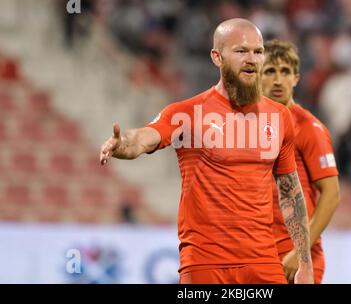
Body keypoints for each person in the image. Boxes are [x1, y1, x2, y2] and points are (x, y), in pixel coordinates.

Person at [99, 19, 313, 284]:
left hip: (263, 263)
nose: (251, 59)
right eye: (241, 51)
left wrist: (305, 261)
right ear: (217, 57)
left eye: (258, 52)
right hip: (205, 264)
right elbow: (144, 138)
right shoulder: (188, 113)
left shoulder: (279, 117)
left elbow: (290, 193)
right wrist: (123, 144)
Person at [261, 39, 340, 284]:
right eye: (270, 71)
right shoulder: (249, 126)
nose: (278, 80)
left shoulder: (308, 127)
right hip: (260, 253)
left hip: (295, 258)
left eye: (285, 72)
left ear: (296, 78)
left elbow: (332, 194)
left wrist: (300, 251)